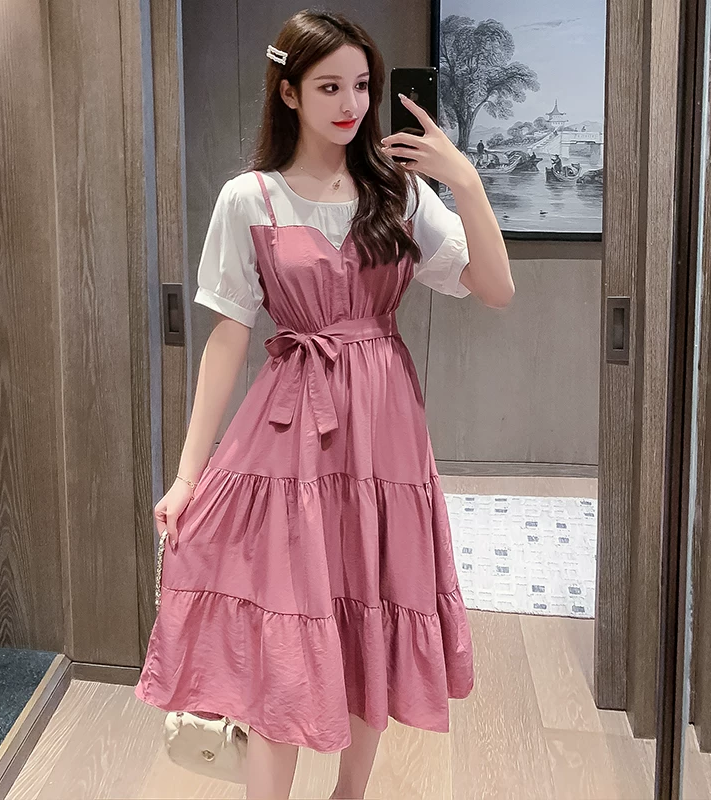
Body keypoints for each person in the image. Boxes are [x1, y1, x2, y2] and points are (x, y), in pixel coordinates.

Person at [134, 9, 513, 800]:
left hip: (384, 425)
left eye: (362, 86)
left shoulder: (399, 193)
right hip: (288, 424)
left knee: (370, 599)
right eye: (329, 86)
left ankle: (350, 793)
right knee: (283, 615)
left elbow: (495, 287)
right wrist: (187, 476)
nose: (351, 104)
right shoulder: (250, 198)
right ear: (289, 93)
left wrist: (465, 181)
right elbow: (227, 339)